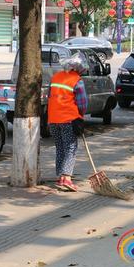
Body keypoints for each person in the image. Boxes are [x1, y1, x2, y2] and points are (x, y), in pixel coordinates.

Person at [47, 53, 89, 192]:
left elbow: (49, 96)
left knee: (60, 148)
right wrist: (81, 117)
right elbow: (82, 104)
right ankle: (67, 178)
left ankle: (60, 176)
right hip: (68, 119)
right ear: (79, 68)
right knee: (70, 148)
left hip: (53, 119)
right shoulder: (77, 80)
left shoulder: (56, 77)